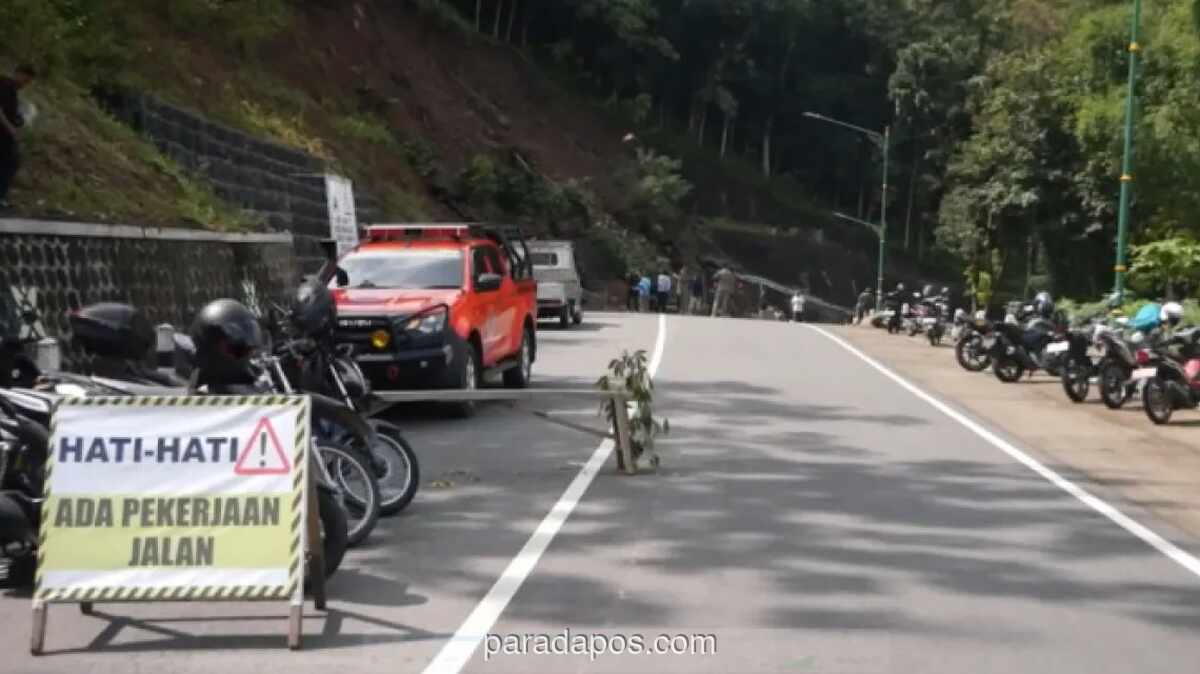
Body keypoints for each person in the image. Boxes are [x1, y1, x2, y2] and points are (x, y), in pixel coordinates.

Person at [0, 64, 36, 209]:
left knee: (11, 161)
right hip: (3, 133)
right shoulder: (5, 85)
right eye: (25, 81)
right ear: (18, 74)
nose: (25, 85)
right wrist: (12, 130)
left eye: (28, 83)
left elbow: (10, 112)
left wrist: (20, 119)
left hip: (4, 134)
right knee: (11, 161)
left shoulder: (12, 90)